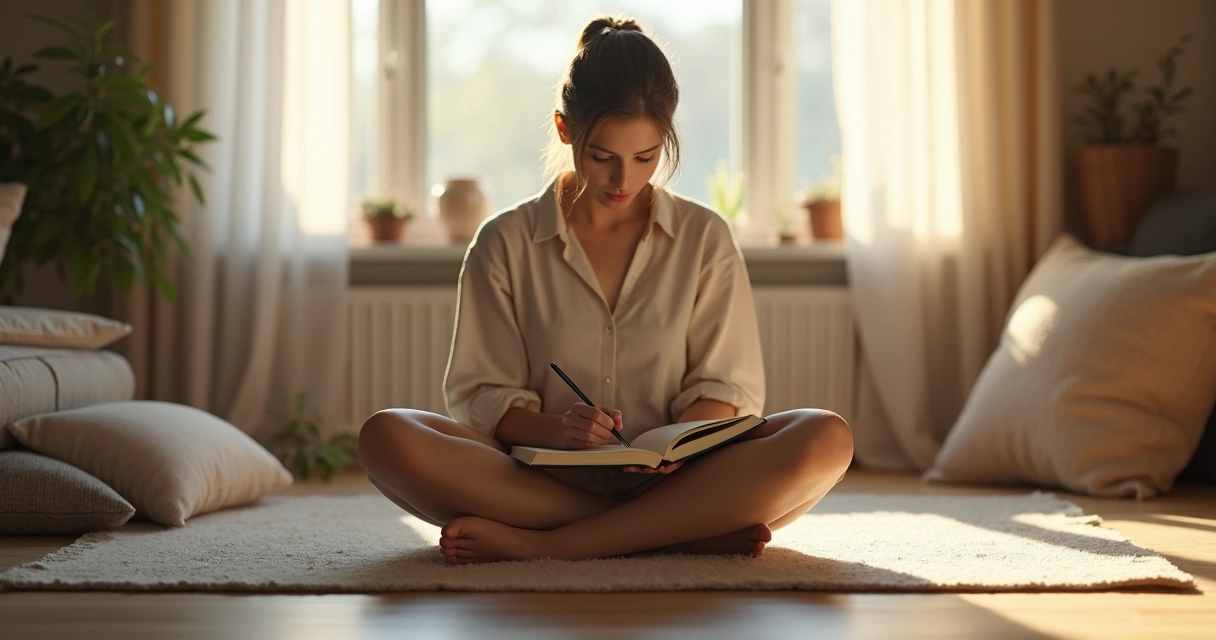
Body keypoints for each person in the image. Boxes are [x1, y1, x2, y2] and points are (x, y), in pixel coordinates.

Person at [358, 15, 853, 565]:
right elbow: (483, 400)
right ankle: (675, 532)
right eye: (603, 157)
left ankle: (554, 543)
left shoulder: (704, 237)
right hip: (536, 480)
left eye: (645, 158)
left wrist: (678, 444)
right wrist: (562, 431)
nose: (624, 181)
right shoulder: (504, 242)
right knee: (388, 436)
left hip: (681, 479)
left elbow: (725, 388)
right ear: (566, 130)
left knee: (825, 437)